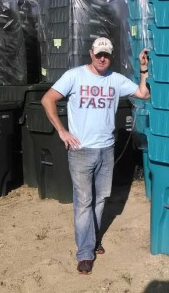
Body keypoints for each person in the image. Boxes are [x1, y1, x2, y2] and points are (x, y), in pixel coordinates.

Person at [41, 37, 150, 275]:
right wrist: (62, 131)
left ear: (111, 56)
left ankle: (93, 239)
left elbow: (143, 94)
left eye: (107, 55)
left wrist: (143, 69)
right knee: (83, 203)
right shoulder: (74, 76)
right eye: (99, 54)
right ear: (91, 53)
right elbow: (47, 98)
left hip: (106, 150)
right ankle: (84, 253)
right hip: (81, 151)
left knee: (101, 199)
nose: (103, 58)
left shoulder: (115, 79)